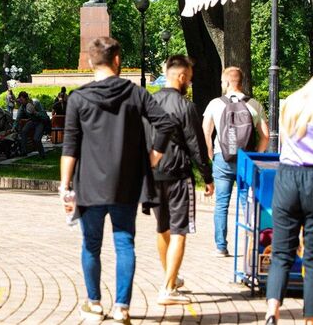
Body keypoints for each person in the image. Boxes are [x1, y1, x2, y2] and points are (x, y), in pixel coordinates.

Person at [61, 37, 174, 323]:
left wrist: (65, 186)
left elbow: (70, 146)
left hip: (89, 184)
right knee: (125, 244)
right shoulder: (136, 93)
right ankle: (122, 307)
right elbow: (165, 123)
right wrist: (153, 157)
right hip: (126, 182)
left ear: (90, 62)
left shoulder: (78, 98)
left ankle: (94, 304)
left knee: (91, 245)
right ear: (117, 60)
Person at [148, 55, 215, 305]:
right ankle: (168, 289)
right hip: (178, 174)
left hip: (153, 174)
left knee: (162, 227)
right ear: (182, 76)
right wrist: (207, 176)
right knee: (179, 230)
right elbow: (196, 145)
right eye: (190, 79)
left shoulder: (150, 103)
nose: (190, 83)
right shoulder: (185, 107)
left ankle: (171, 277)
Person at [202, 66, 270, 257]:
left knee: (221, 204)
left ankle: (221, 247)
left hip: (222, 158)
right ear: (241, 82)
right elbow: (265, 136)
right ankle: (251, 247)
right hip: (246, 160)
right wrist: (256, 155)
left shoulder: (215, 104)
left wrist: (211, 153)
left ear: (226, 82)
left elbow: (206, 131)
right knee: (247, 204)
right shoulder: (254, 104)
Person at [264, 77, 313, 325]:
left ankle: (272, 310)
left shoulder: (292, 102)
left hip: (287, 176)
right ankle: (310, 317)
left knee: (281, 253)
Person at [15, 91, 49, 156]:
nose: (21, 101)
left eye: (22, 100)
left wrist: (35, 112)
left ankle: (42, 154)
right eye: (20, 100)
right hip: (32, 121)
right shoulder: (22, 107)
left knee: (36, 139)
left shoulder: (36, 103)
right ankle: (24, 151)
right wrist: (13, 127)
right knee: (23, 131)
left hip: (40, 122)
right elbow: (17, 118)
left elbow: (44, 116)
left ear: (26, 98)